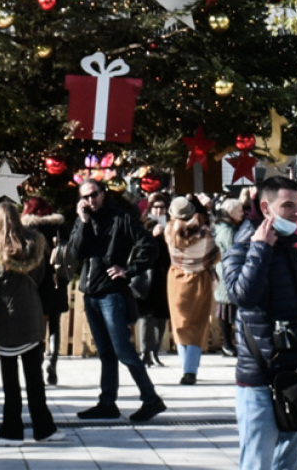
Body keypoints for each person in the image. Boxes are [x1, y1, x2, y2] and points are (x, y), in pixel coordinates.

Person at [222, 175, 297, 469]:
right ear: (265, 208)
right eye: (287, 205)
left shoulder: (290, 251)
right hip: (259, 378)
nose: (295, 212)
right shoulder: (239, 249)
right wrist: (259, 248)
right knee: (257, 461)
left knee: (288, 461)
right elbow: (243, 296)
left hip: (294, 372)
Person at [68, 179, 166, 422]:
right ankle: (107, 403)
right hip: (90, 293)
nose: (90, 200)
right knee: (106, 353)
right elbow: (77, 251)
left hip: (112, 293)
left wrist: (128, 269)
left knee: (123, 351)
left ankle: (151, 400)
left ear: (103, 193)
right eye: (86, 197)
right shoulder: (85, 220)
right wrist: (83, 222)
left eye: (94, 195)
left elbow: (149, 247)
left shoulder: (120, 218)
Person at [0, 202, 64, 445]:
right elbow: (42, 280)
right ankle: (44, 427)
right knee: (34, 377)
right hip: (32, 314)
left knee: (10, 379)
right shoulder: (37, 245)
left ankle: (12, 430)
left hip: (6, 317)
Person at [163, 196, 219, 385]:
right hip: (198, 279)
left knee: (180, 324)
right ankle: (190, 370)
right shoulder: (204, 233)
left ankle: (184, 365)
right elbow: (215, 256)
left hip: (176, 278)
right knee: (197, 324)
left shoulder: (168, 231)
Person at [20, 196, 69, 386]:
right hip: (57, 281)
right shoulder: (58, 226)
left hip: (36, 282)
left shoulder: (27, 230)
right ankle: (53, 365)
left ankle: (38, 364)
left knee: (37, 325)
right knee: (55, 324)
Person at [137, 193, 171, 368]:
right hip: (148, 275)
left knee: (161, 316)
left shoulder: (171, 225)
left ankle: (155, 352)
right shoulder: (144, 225)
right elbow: (138, 247)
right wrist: (153, 235)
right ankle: (145, 351)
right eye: (156, 207)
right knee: (146, 316)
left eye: (162, 207)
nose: (158, 211)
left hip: (165, 274)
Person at [212, 198, 245, 357]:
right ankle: (227, 344)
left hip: (226, 273)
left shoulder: (227, 227)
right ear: (231, 212)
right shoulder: (227, 230)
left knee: (228, 311)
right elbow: (234, 251)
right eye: (239, 210)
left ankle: (230, 343)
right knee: (227, 311)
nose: (242, 213)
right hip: (227, 274)